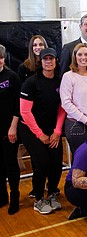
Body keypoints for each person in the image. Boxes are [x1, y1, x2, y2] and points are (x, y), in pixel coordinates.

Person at [19, 48, 66, 214]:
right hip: (30, 129)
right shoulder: (31, 83)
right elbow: (25, 112)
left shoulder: (60, 82)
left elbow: (62, 109)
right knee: (42, 162)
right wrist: (40, 134)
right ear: (41, 62)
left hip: (52, 129)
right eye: (45, 59)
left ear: (56, 61)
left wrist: (57, 131)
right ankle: (39, 198)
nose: (48, 62)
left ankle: (52, 192)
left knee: (56, 162)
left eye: (51, 59)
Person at [60, 43, 87, 157]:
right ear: (74, 57)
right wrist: (86, 120)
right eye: (80, 54)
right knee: (81, 161)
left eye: (86, 54)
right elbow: (66, 103)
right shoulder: (68, 76)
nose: (83, 57)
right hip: (76, 125)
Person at [0, 44, 21, 215]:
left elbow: (17, 105)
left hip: (9, 129)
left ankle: (14, 196)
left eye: (0, 57)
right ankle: (2, 196)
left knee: (10, 164)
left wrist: (13, 127)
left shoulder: (11, 77)